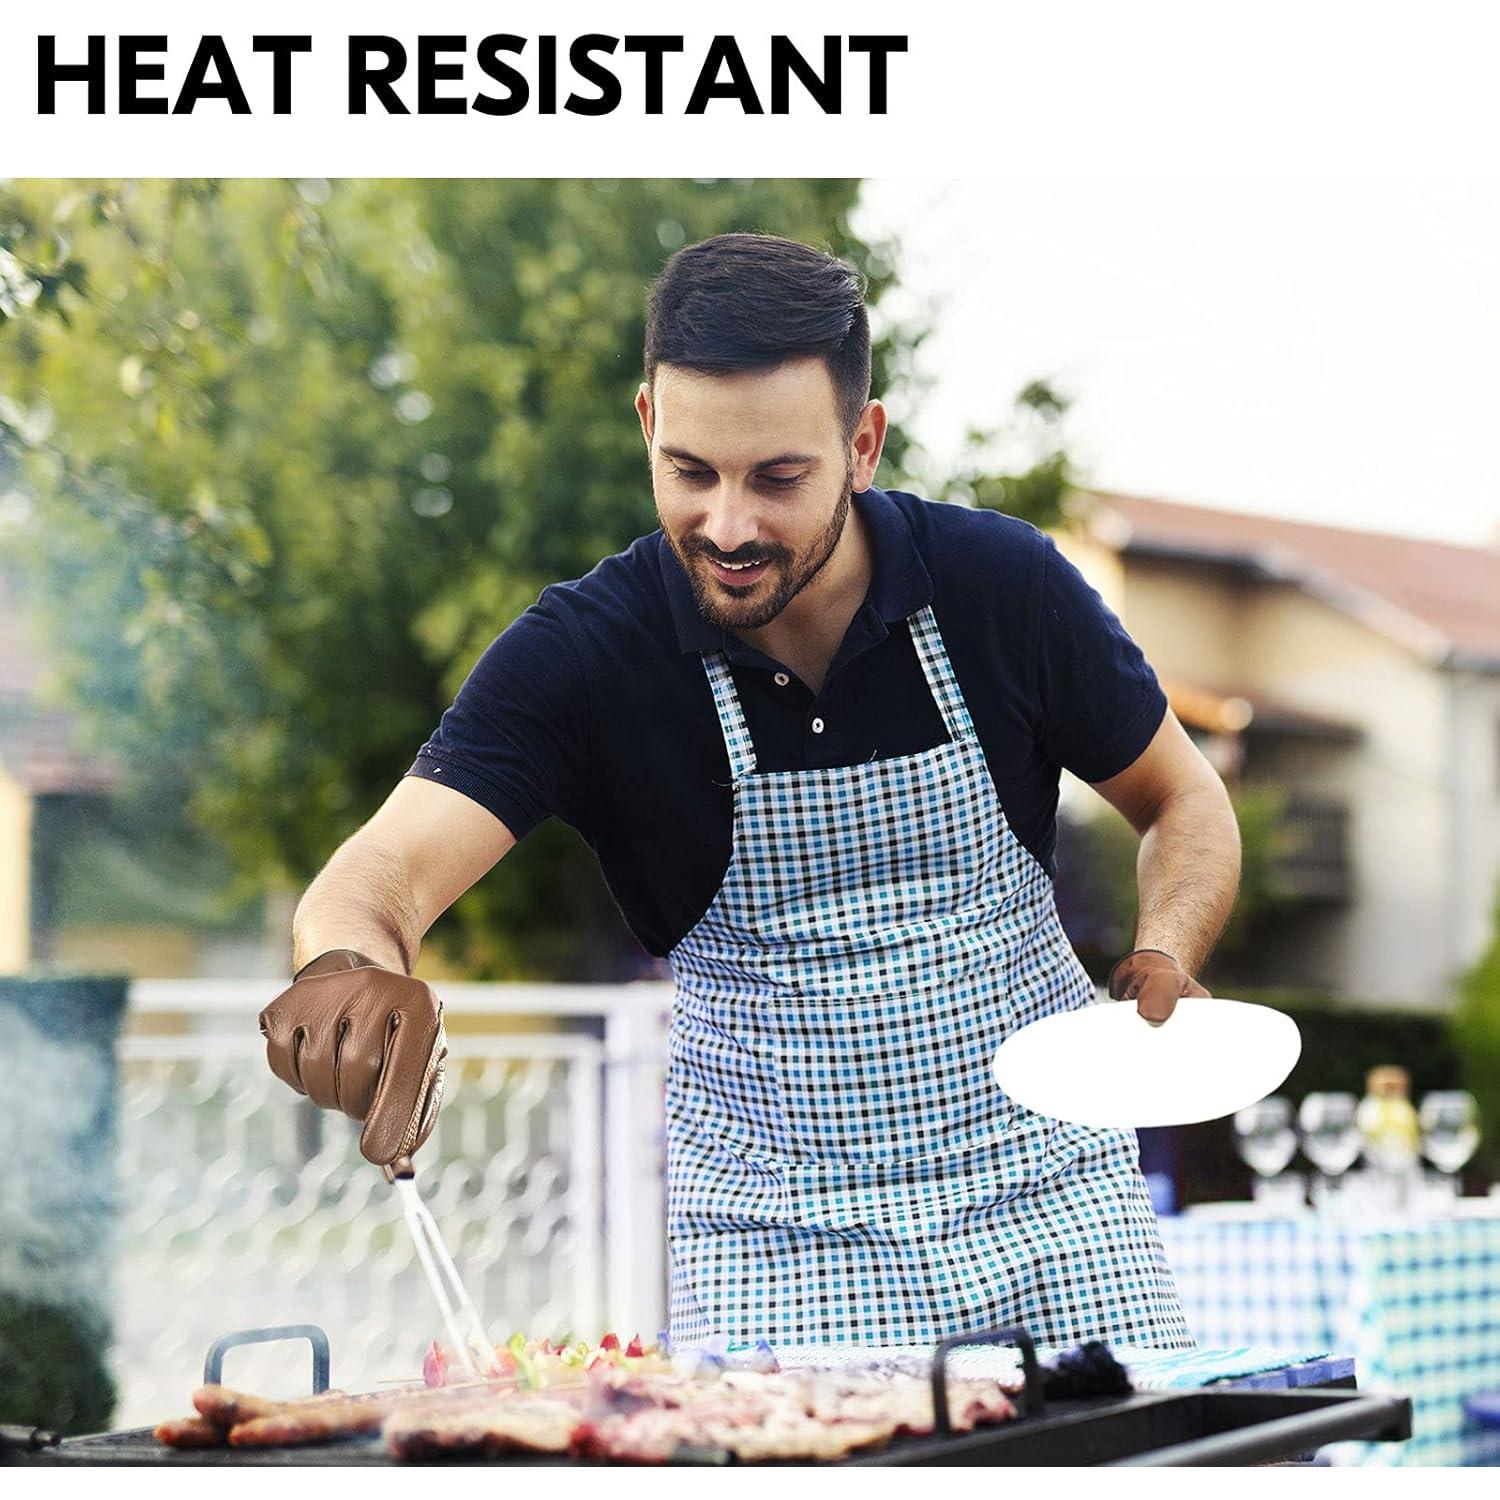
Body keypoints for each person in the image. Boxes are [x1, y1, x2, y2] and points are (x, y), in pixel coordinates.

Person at [260, 231, 1240, 1350]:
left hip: (1057, 1204)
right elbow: (375, 878)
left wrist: (1166, 949)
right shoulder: (587, 656)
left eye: (778, 478)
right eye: (690, 472)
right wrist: (346, 972)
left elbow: (1184, 801)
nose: (728, 526)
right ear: (647, 426)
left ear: (862, 444)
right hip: (777, 1245)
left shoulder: (1001, 588)